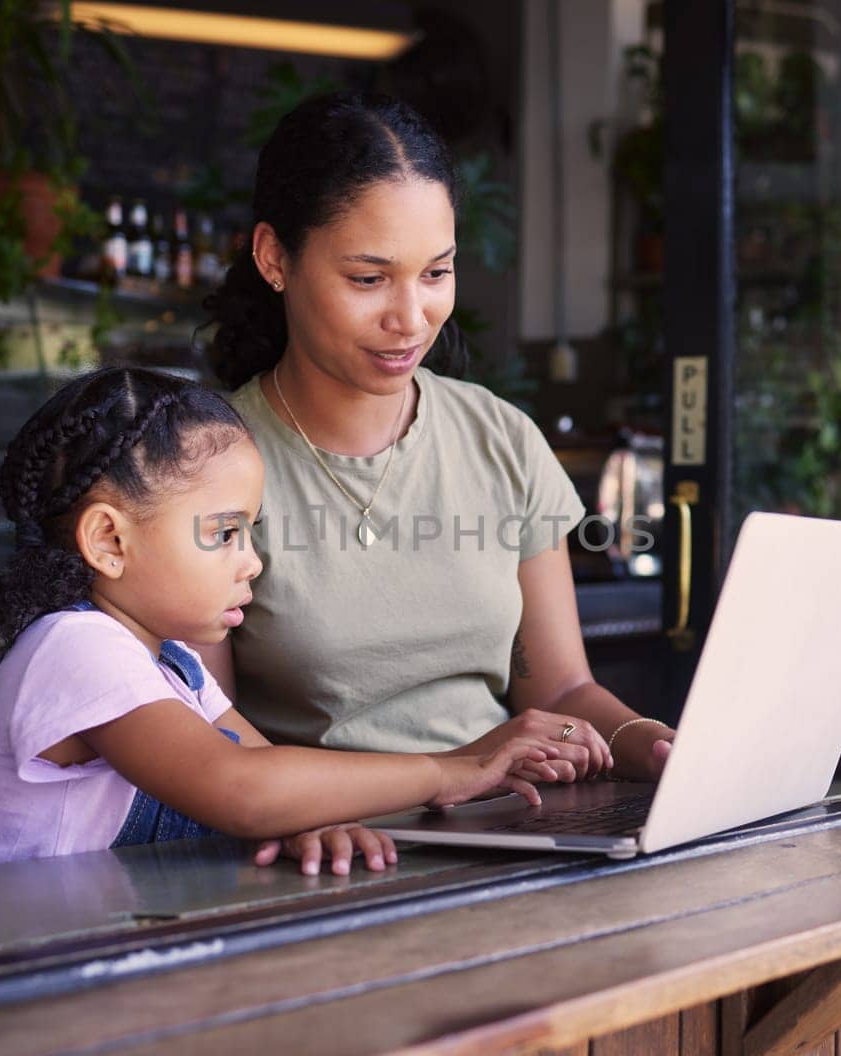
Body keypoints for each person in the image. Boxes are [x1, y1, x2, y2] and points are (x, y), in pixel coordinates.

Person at [200, 92, 676, 780]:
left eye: (437, 273)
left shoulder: (501, 438)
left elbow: (562, 691)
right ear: (275, 258)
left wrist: (652, 742)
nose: (411, 317)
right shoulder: (210, 467)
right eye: (369, 278)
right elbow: (208, 729)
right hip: (328, 848)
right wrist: (443, 772)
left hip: (509, 828)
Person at [0, 367, 576, 875]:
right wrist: (451, 771)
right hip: (46, 985)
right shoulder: (76, 649)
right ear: (109, 541)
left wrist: (317, 822)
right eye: (226, 532)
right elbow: (242, 788)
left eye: (250, 532)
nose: (251, 561)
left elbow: (272, 775)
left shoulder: (174, 668)